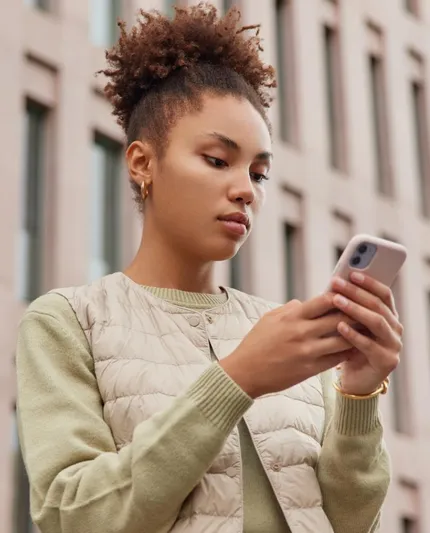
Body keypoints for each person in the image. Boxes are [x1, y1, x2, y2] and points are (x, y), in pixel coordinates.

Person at [16, 3, 403, 533]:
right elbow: (77, 517)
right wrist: (238, 378)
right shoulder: (68, 322)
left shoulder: (285, 334)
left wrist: (358, 395)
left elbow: (353, 522)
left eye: (259, 173)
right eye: (218, 161)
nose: (245, 189)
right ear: (142, 163)